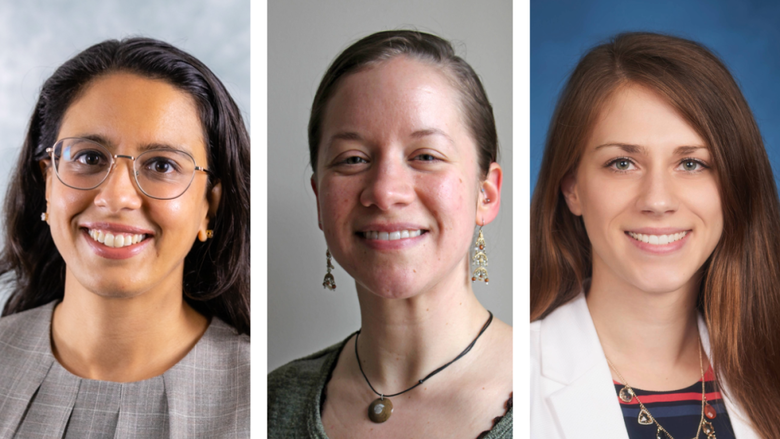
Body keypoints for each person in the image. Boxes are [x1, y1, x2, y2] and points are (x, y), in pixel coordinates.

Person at [530, 32, 780, 439]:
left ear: (734, 184)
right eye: (623, 163)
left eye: (692, 164)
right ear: (572, 187)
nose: (658, 201)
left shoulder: (771, 370)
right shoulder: (516, 382)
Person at [0, 38, 250, 437]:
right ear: (48, 181)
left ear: (210, 205)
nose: (116, 197)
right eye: (88, 157)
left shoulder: (257, 399)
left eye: (162, 165)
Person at [268, 30, 512, 438]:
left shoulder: (559, 388)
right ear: (319, 200)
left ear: (485, 195)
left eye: (426, 156)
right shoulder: (269, 404)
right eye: (353, 159)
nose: (384, 191)